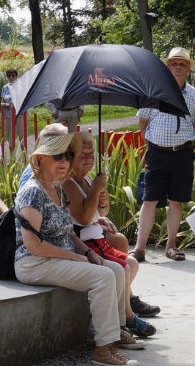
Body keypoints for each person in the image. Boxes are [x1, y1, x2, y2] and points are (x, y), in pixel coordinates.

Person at [14, 124, 141, 366]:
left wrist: (87, 251)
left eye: (69, 155)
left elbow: (68, 231)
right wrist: (75, 258)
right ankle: (104, 349)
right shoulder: (32, 191)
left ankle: (115, 332)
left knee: (114, 269)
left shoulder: (57, 188)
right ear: (40, 158)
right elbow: (33, 244)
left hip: (57, 259)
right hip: (34, 262)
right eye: (58, 155)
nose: (65, 161)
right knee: (104, 276)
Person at [65, 131, 160, 332]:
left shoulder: (88, 179)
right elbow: (82, 218)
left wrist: (102, 201)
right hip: (84, 244)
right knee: (123, 268)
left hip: (97, 238)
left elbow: (99, 211)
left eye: (91, 153)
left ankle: (123, 302)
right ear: (71, 155)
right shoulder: (69, 183)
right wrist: (95, 191)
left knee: (132, 263)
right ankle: (126, 317)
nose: (89, 158)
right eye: (83, 154)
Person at [131, 47, 195, 263]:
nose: (178, 67)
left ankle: (171, 246)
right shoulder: (154, 91)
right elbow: (143, 121)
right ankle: (139, 248)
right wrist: (153, 144)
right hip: (157, 154)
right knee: (149, 200)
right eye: (174, 63)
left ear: (188, 69)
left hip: (182, 154)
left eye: (182, 64)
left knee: (177, 201)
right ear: (167, 66)